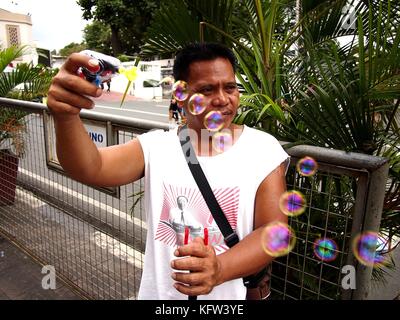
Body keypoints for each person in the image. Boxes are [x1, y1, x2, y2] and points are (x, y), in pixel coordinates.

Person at [46, 42, 289, 300]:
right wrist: (66, 116)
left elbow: (274, 230)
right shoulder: (156, 147)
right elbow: (90, 168)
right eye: (206, 89)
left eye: (230, 87)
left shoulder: (263, 148)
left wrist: (220, 268)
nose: (222, 99)